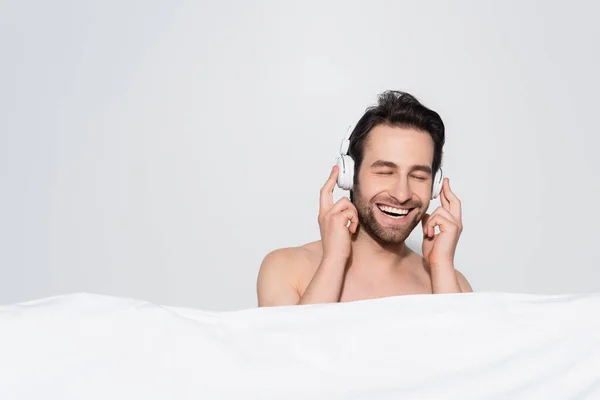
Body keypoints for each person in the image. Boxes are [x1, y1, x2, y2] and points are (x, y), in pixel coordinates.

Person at [256, 90, 473, 306]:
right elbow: (296, 341)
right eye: (385, 172)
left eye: (418, 176)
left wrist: (441, 267)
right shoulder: (286, 269)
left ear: (435, 186)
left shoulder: (454, 285)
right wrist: (334, 260)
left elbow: (459, 341)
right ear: (349, 175)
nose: (402, 194)